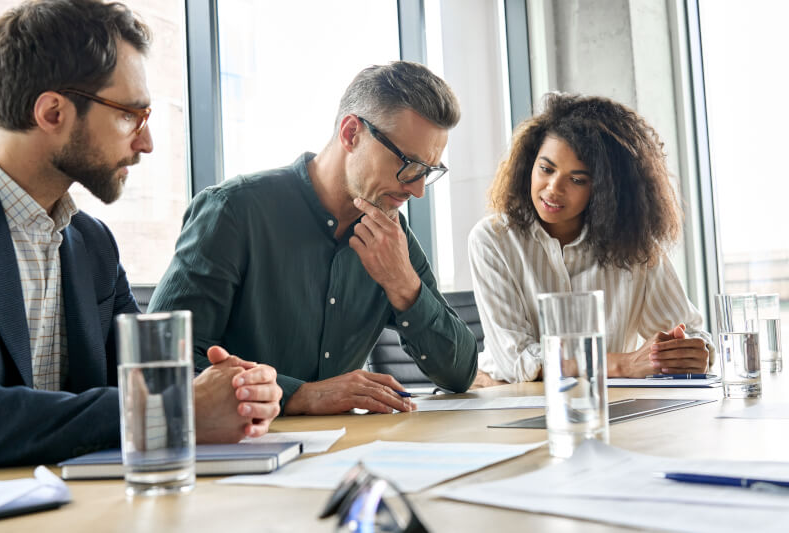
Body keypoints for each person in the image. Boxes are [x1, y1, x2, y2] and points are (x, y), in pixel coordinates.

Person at [0, 0, 280, 467]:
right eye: (130, 114)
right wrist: (175, 409)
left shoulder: (93, 245)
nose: (147, 142)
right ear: (52, 113)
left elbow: (145, 381)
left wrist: (239, 392)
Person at [149, 61, 478, 415]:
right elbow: (161, 359)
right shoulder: (234, 211)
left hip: (345, 456)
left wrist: (403, 284)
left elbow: (459, 374)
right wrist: (301, 395)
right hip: (242, 454)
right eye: (408, 165)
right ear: (351, 133)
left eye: (428, 172)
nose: (417, 191)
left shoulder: (391, 235)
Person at [468, 93, 713, 386]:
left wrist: (689, 352)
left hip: (608, 404)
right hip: (508, 398)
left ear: (605, 190)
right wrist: (622, 364)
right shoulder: (492, 239)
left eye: (577, 180)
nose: (553, 188)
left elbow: (692, 334)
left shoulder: (635, 247)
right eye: (546, 169)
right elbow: (517, 361)